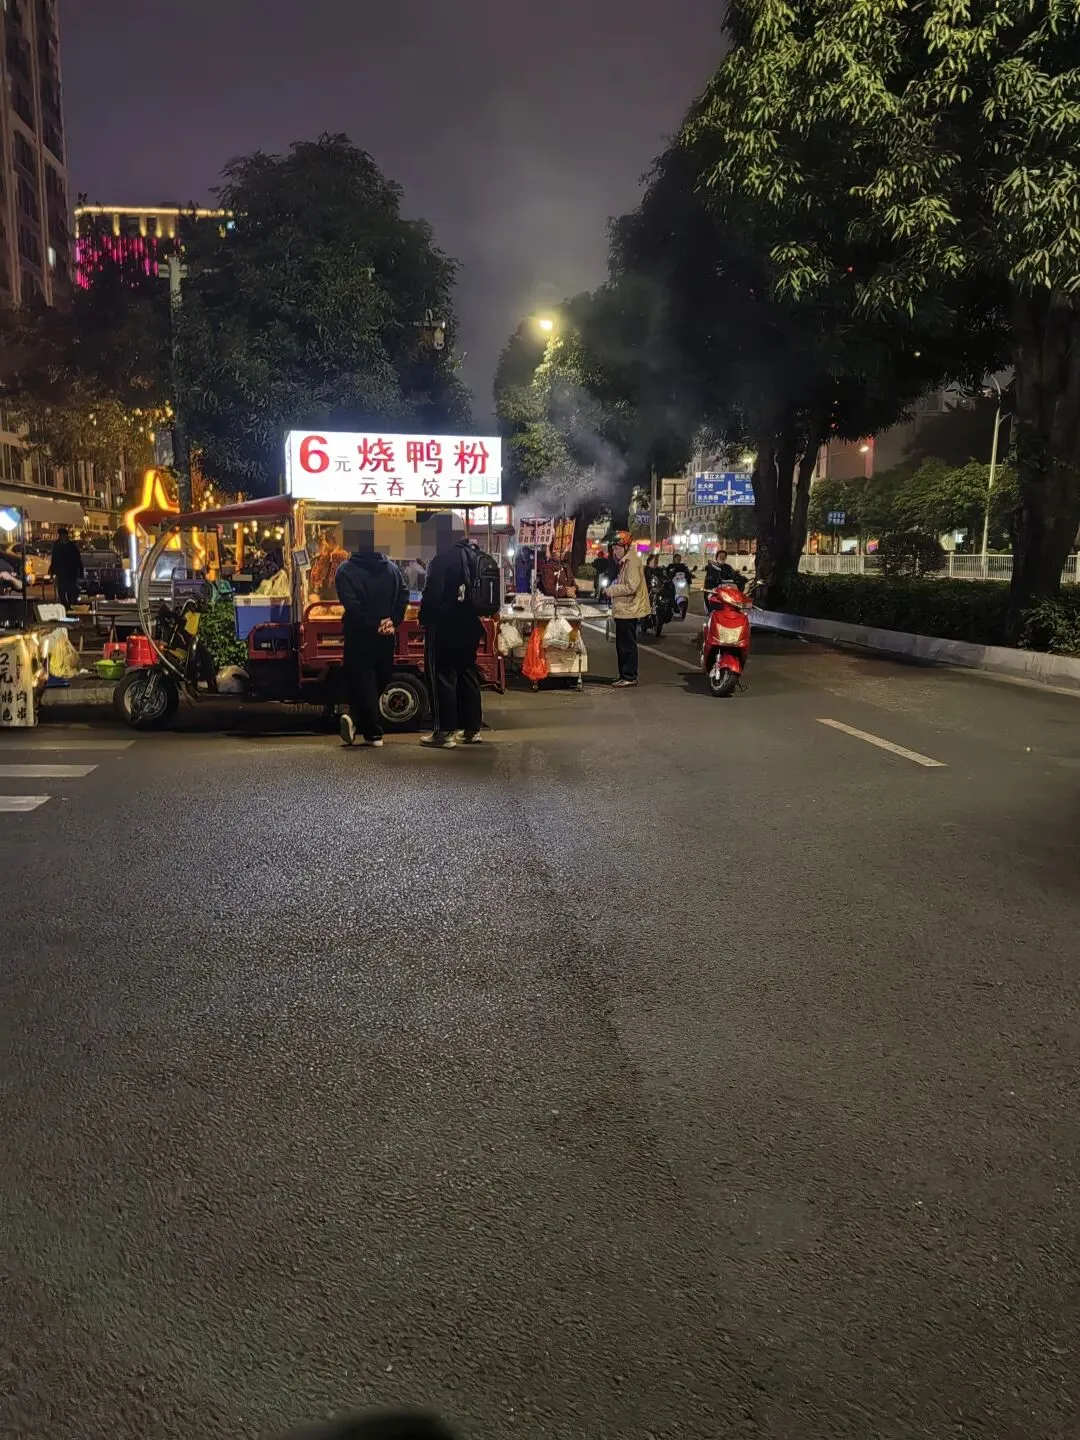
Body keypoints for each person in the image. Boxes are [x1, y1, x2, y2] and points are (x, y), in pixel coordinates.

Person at [335, 542, 408, 748]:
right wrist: (392, 621)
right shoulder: (392, 569)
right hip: (386, 635)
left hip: (358, 634)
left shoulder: (345, 571)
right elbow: (404, 594)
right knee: (381, 677)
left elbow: (352, 605)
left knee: (364, 679)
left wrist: (375, 623)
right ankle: (363, 725)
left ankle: (369, 729)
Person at [419, 534, 485, 748]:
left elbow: (432, 593)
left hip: (445, 625)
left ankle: (443, 732)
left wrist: (424, 619)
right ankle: (471, 730)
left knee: (441, 676)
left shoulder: (441, 558)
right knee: (467, 673)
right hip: (470, 624)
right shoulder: (473, 554)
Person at [606, 532, 650, 687]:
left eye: (617, 548)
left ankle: (629, 676)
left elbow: (631, 586)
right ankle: (624, 675)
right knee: (622, 644)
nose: (615, 552)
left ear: (626, 547)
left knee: (627, 645)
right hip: (624, 609)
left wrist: (611, 590)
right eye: (613, 549)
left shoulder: (632, 562)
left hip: (629, 609)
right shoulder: (625, 561)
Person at [49, 527, 83, 608]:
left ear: (66, 535)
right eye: (60, 535)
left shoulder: (72, 546)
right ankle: (65, 606)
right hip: (61, 573)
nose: (61, 537)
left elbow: (78, 559)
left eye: (62, 535)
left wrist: (80, 571)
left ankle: (71, 605)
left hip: (71, 573)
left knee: (71, 591)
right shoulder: (57, 545)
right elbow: (54, 559)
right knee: (62, 592)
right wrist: (52, 571)